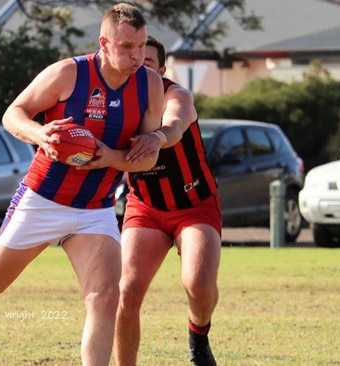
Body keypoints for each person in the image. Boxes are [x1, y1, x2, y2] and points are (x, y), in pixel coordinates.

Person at [0, 3, 164, 366]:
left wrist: (130, 151)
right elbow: (13, 113)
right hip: (43, 199)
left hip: (95, 209)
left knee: (104, 297)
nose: (137, 56)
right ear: (104, 43)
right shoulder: (68, 73)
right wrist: (39, 134)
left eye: (141, 46)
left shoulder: (150, 84)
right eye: (127, 47)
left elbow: (146, 157)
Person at [114, 36, 222, 366]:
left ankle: (198, 334)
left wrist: (157, 137)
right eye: (132, 60)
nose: (138, 68)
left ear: (161, 70)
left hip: (194, 204)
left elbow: (175, 124)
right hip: (146, 207)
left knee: (198, 284)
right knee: (126, 294)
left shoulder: (177, 94)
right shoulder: (117, 103)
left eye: (147, 64)